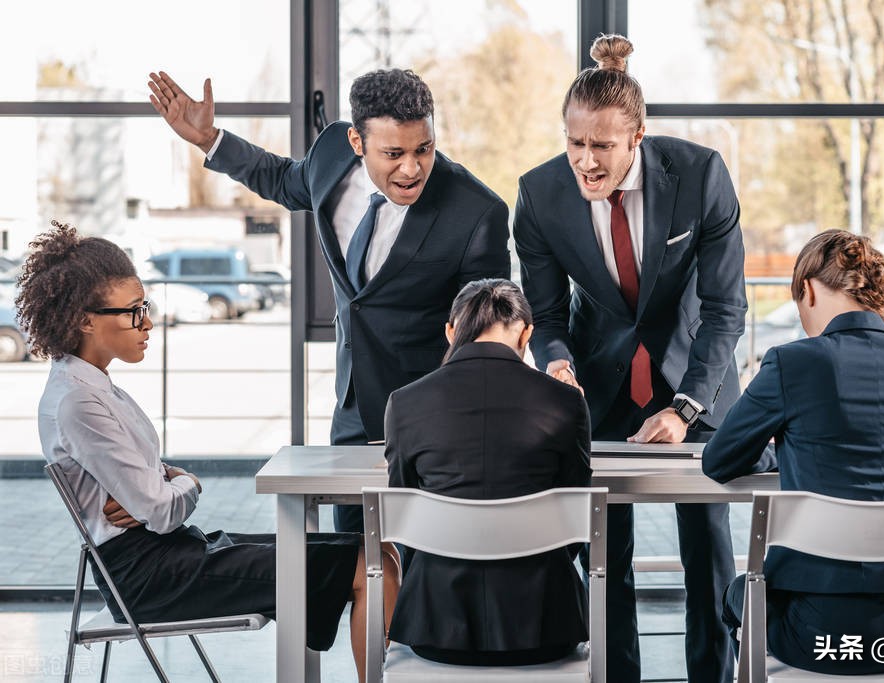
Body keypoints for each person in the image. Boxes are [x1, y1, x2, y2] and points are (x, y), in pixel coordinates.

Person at [18, 222, 401, 683]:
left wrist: (158, 486)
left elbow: (151, 499)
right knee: (368, 565)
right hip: (153, 575)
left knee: (379, 551)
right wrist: (186, 481)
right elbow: (161, 511)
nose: (148, 323)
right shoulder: (78, 400)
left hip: (173, 553)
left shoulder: (89, 386)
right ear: (84, 320)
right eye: (135, 312)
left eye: (147, 308)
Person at [148, 67, 510, 532]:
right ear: (358, 144)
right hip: (353, 412)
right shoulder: (332, 153)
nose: (412, 167)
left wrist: (445, 428)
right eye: (393, 153)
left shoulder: (476, 212)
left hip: (435, 421)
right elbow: (282, 179)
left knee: (425, 570)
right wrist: (210, 139)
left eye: (424, 149)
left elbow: (486, 338)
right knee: (356, 563)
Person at [513, 35, 746, 683]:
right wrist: (555, 364)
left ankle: (712, 676)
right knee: (602, 554)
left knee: (707, 550)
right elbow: (547, 316)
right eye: (572, 142)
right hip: (599, 386)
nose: (584, 161)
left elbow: (726, 308)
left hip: (694, 380)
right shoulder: (538, 196)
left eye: (601, 146)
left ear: (637, 136)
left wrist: (685, 406)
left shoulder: (699, 176)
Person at [702, 229, 884, 675]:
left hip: (822, 632)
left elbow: (719, 460)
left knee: (738, 592)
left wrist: (780, 453)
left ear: (806, 290)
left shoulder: (792, 361)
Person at [384, 279, 592, 666]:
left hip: (435, 626)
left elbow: (405, 510)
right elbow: (575, 515)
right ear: (527, 334)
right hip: (546, 625)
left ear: (450, 331)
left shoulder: (404, 403)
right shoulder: (567, 403)